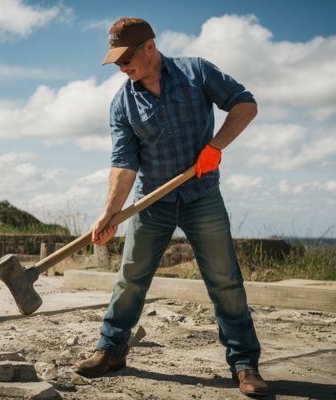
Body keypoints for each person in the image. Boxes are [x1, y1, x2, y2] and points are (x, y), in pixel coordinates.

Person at [74, 17, 268, 397]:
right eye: (115, 61)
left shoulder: (196, 72)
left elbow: (246, 105)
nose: (121, 67)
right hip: (152, 201)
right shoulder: (123, 103)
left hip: (203, 196)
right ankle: (111, 350)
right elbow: (123, 165)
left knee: (225, 282)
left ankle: (245, 364)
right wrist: (109, 213)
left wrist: (215, 148)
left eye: (126, 57)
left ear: (150, 46)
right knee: (130, 279)